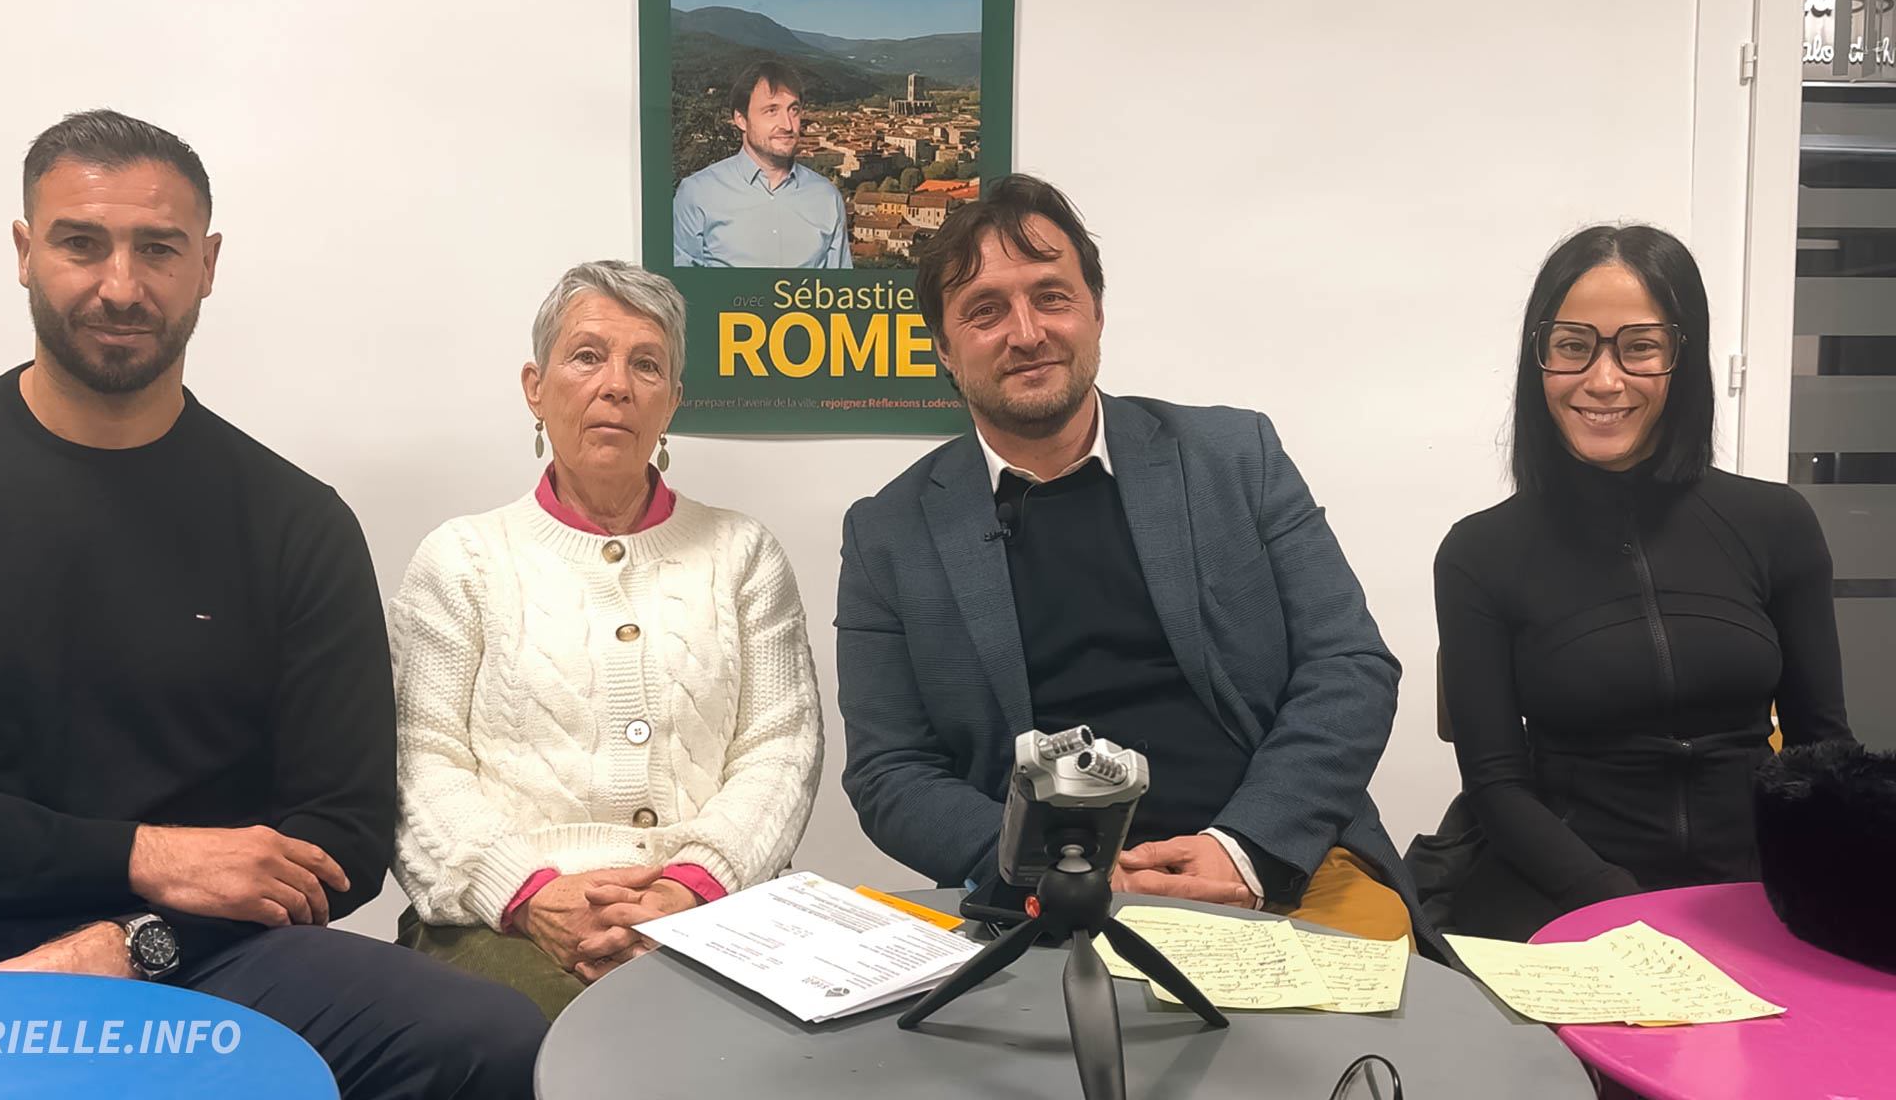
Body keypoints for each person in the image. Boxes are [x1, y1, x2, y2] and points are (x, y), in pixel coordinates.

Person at [0, 109, 543, 1096]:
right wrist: (137, 853)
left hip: (198, 959)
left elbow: (341, 835)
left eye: (158, 249)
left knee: (484, 1037)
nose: (120, 285)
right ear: (22, 252)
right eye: (81, 244)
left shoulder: (296, 523)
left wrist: (136, 940)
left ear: (207, 264)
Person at [835, 173, 1435, 952]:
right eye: (985, 311)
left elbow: (1349, 664)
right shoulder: (888, 532)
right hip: (1040, 905)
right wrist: (1048, 869)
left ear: (1096, 313)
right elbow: (890, 771)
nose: (1026, 332)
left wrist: (1245, 847)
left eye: (1051, 296)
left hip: (1280, 872)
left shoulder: (1235, 457)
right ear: (945, 350)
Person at [391, 260, 823, 1019]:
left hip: (718, 910)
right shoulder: (461, 560)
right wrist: (528, 895)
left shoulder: (743, 553)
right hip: (511, 922)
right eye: (587, 355)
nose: (616, 385)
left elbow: (782, 748)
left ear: (673, 402)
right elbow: (420, 764)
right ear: (536, 385)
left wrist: (688, 888)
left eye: (646, 364)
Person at [1414, 224, 1854, 941]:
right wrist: (1617, 906)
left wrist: (1815, 884)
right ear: (1540, 361)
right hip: (1562, 889)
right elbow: (1496, 786)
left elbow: (1821, 746)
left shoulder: (1777, 521)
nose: (1604, 379)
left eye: (1639, 346)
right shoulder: (1478, 552)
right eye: (1573, 346)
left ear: (1683, 358)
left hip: (1753, 887)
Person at [672, 61, 852, 269]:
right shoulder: (697, 193)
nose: (787, 124)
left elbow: (839, 294)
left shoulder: (827, 197)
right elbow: (678, 291)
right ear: (741, 120)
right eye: (771, 111)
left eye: (793, 110)